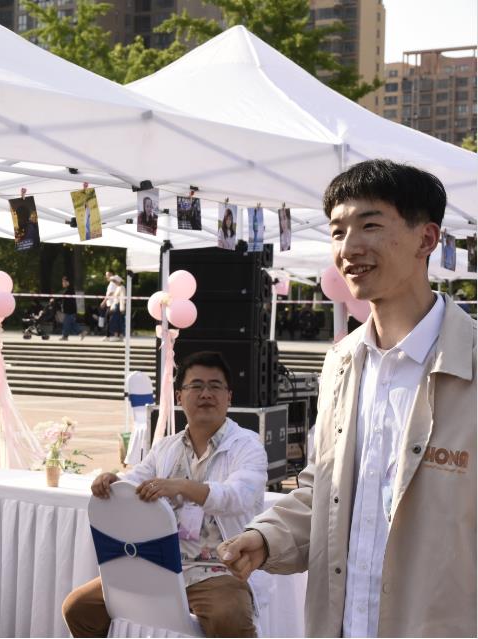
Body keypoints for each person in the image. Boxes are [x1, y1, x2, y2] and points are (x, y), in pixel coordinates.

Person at [218, 160, 477, 637]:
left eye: (370, 225)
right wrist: (268, 538)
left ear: (426, 239)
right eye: (337, 232)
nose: (348, 248)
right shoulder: (341, 362)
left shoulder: (471, 365)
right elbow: (327, 489)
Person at [63, 351, 267, 637]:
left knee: (228, 617)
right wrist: (114, 482)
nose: (206, 394)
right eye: (196, 386)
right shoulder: (166, 447)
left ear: (229, 397)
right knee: (79, 608)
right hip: (159, 565)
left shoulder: (247, 445)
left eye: (215, 386)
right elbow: (135, 481)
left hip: (219, 569)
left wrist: (182, 486)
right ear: (180, 396)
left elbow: (239, 496)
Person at [59, 276, 83, 341]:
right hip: (70, 310)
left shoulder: (69, 290)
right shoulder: (69, 289)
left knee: (66, 323)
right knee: (71, 323)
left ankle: (65, 336)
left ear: (67, 282)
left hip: (69, 310)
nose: (62, 283)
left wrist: (55, 299)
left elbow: (62, 296)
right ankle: (81, 332)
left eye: (63, 282)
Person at [107, 275, 126, 341]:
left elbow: (122, 298)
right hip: (116, 305)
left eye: (115, 281)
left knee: (118, 321)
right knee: (115, 321)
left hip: (119, 306)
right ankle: (117, 335)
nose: (114, 282)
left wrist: (122, 308)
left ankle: (119, 336)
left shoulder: (122, 287)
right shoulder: (118, 287)